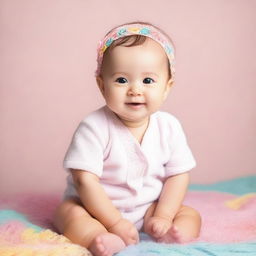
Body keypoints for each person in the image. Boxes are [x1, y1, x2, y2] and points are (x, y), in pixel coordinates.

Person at [53, 21, 201, 256]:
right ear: (102, 86)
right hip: (95, 209)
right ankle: (97, 238)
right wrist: (114, 223)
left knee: (189, 215)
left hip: (147, 208)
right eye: (122, 80)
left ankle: (176, 234)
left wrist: (164, 214)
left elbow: (178, 175)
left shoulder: (169, 126)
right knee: (68, 213)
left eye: (148, 80)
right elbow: (85, 181)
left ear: (167, 87)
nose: (135, 90)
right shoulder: (93, 127)